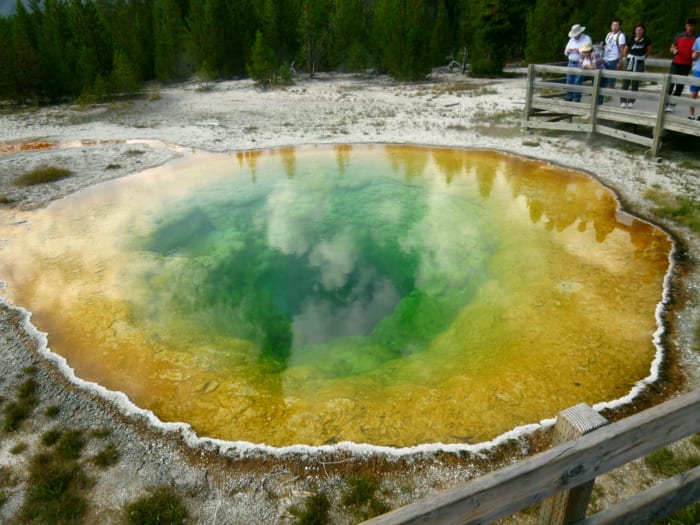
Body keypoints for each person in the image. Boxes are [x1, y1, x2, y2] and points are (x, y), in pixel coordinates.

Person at [666, 17, 697, 112]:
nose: (690, 27)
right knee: (671, 84)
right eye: (688, 25)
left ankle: (672, 104)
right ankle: (666, 103)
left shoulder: (697, 37)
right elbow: (671, 48)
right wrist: (673, 50)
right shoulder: (679, 36)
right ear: (685, 26)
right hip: (676, 63)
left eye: (692, 26)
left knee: (680, 86)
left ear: (695, 26)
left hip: (686, 64)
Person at [620, 24, 652, 108]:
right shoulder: (630, 39)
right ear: (635, 30)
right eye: (637, 30)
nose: (639, 31)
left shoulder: (647, 40)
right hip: (630, 61)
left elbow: (648, 52)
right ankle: (623, 100)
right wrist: (628, 58)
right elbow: (625, 51)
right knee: (626, 81)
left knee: (636, 82)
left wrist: (641, 58)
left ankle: (631, 101)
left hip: (640, 62)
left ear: (643, 30)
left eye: (640, 30)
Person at [564, 24, 592, 102]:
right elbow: (565, 52)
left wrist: (579, 51)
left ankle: (576, 98)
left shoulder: (586, 39)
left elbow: (589, 51)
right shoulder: (571, 40)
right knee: (569, 81)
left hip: (580, 63)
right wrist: (568, 51)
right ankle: (568, 97)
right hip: (570, 62)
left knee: (578, 81)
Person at [602, 18, 626, 93]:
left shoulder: (621, 36)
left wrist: (620, 61)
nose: (614, 27)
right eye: (613, 25)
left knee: (611, 78)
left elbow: (622, 49)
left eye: (616, 25)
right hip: (606, 58)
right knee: (605, 77)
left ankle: (610, 93)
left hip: (614, 59)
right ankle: (606, 92)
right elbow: (606, 45)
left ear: (619, 26)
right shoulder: (609, 34)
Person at [689, 35, 700, 119]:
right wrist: (696, 54)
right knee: (693, 94)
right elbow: (693, 56)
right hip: (698, 70)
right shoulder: (698, 40)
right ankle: (691, 115)